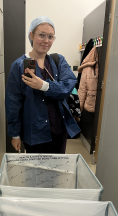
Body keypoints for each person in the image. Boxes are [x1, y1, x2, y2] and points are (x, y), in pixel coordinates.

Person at [5, 16, 80, 153]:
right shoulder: (19, 66)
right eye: (42, 35)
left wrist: (44, 86)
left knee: (56, 171)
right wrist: (15, 134)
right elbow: (13, 102)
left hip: (58, 130)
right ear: (31, 35)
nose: (46, 41)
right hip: (34, 133)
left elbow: (68, 86)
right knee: (36, 172)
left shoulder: (59, 61)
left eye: (51, 37)